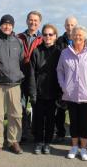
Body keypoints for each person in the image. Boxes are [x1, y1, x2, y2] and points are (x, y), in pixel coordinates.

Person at [57, 26, 87, 161]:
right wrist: (64, 86)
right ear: (71, 36)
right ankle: (74, 147)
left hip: (86, 95)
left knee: (84, 123)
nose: (77, 37)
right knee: (74, 122)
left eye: (80, 35)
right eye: (75, 35)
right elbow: (60, 71)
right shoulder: (65, 53)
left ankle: (83, 149)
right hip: (70, 94)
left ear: (85, 37)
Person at [0, 14, 24, 155]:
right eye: (4, 24)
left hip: (14, 85)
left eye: (9, 24)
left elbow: (20, 60)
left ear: (13, 26)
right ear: (0, 25)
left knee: (15, 114)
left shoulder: (18, 42)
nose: (7, 26)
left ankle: (14, 141)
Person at [28, 24, 61, 154]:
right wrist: (33, 93)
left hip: (53, 93)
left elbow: (62, 74)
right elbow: (31, 74)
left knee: (51, 120)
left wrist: (60, 93)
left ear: (55, 36)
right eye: (45, 34)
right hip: (39, 92)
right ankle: (38, 142)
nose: (48, 37)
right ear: (42, 36)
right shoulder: (36, 51)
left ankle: (47, 142)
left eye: (50, 34)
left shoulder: (59, 52)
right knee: (38, 120)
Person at [17, 11, 43, 142]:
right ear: (27, 21)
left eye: (36, 20)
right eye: (31, 20)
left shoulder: (43, 39)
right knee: (21, 107)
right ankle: (23, 133)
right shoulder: (18, 37)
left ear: (39, 23)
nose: (33, 22)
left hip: (36, 79)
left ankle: (37, 132)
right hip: (21, 77)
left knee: (37, 107)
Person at [54, 16, 78, 143]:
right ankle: (61, 133)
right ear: (65, 26)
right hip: (63, 80)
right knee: (61, 110)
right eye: (68, 25)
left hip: (77, 82)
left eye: (72, 25)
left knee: (75, 112)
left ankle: (76, 135)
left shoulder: (80, 40)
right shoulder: (59, 41)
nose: (70, 27)